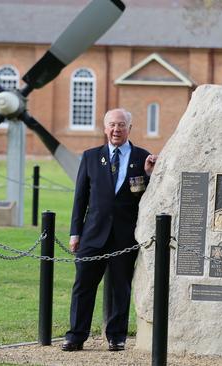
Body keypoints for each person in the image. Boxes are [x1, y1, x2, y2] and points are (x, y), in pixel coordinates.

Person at [62, 108, 157, 352]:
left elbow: (146, 197)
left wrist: (149, 175)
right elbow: (80, 198)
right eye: (112, 125)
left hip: (124, 235)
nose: (117, 130)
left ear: (130, 128)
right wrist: (76, 233)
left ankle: (116, 336)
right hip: (92, 234)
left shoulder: (142, 157)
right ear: (105, 128)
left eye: (122, 125)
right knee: (83, 286)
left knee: (120, 287)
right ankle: (76, 335)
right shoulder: (91, 157)